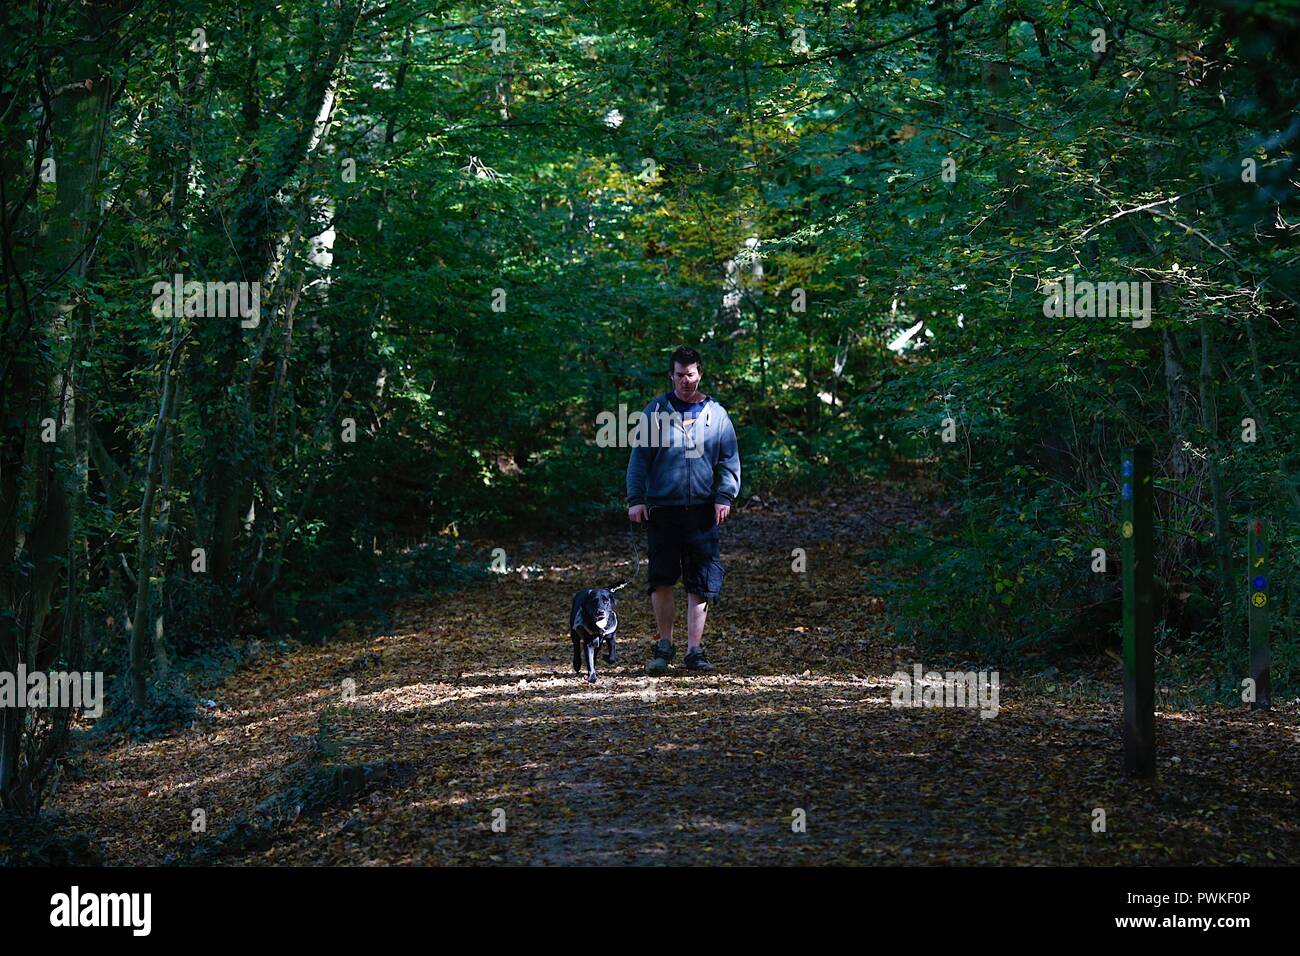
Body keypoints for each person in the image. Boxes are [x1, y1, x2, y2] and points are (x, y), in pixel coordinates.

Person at [626, 347, 741, 674]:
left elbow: (730, 460)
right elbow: (639, 459)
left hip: (703, 510)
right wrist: (636, 499)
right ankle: (664, 645)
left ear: (700, 373)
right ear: (671, 376)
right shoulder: (656, 411)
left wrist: (725, 495)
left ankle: (695, 649)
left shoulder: (716, 414)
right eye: (679, 375)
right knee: (661, 579)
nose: (685, 381)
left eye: (690, 374)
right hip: (662, 509)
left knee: (701, 581)